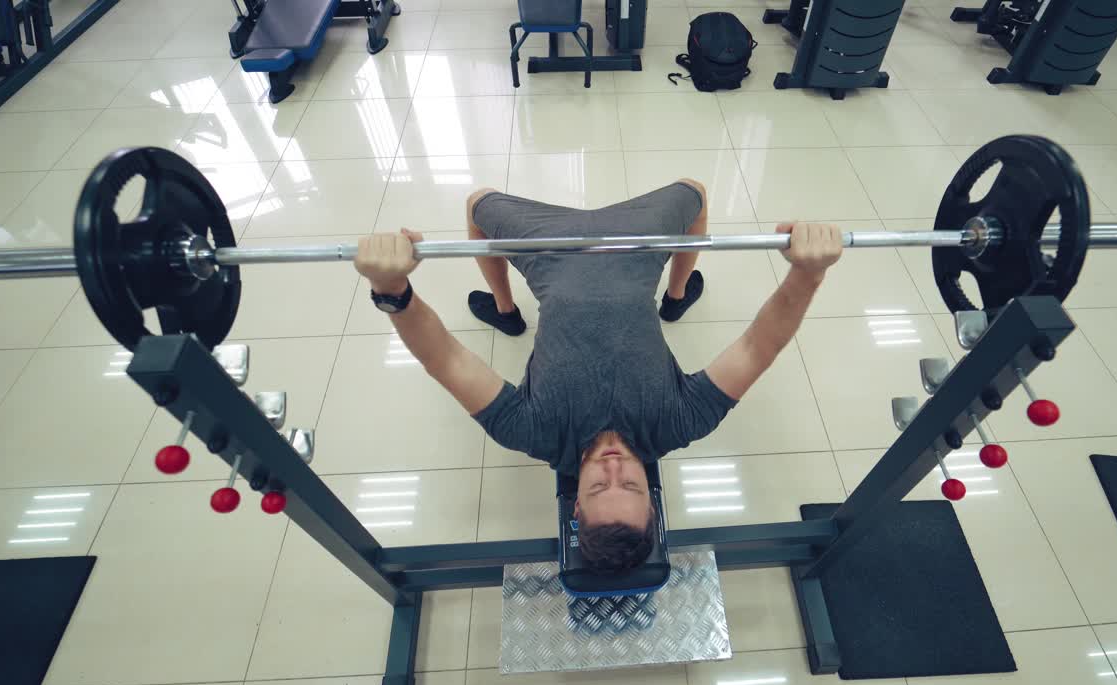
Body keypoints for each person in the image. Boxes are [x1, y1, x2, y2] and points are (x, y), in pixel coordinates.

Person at [354, 180, 843, 574]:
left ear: (574, 505)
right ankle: (675, 297)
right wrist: (808, 274)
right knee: (694, 191)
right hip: (635, 249)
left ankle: (506, 311)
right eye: (629, 486)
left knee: (477, 203)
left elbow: (446, 360)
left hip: (552, 253)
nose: (612, 468)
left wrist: (391, 288)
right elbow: (760, 346)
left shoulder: (533, 432)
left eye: (596, 488)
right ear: (653, 501)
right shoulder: (679, 423)